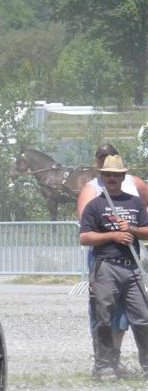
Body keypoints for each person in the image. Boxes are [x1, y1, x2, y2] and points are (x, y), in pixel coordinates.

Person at [76, 143, 148, 368]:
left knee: (142, 317)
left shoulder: (135, 202)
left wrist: (133, 230)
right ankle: (105, 365)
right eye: (107, 175)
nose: (111, 179)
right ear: (102, 176)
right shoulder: (95, 205)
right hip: (105, 265)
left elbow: (145, 230)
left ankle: (146, 365)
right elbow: (85, 237)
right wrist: (114, 236)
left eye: (116, 175)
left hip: (133, 267)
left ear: (122, 177)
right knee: (104, 317)